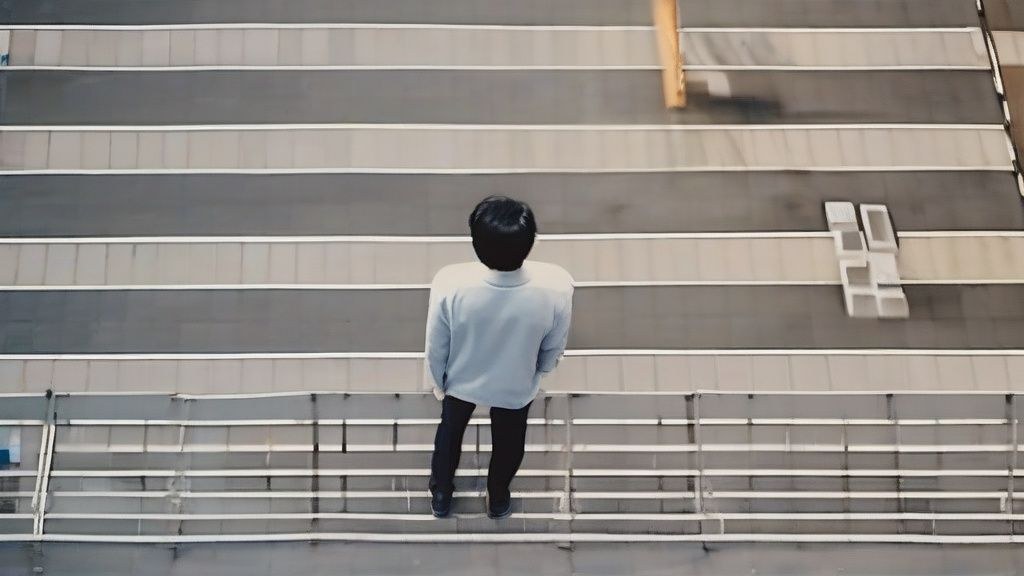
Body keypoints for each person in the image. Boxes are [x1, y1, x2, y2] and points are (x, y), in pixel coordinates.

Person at [424, 196, 574, 519]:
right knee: (509, 443)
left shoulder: (449, 283)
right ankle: (498, 495)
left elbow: (436, 347)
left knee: (449, 434)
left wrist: (439, 383)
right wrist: (537, 373)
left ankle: (442, 493)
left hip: (460, 381)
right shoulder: (557, 286)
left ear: (476, 244)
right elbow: (553, 347)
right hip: (515, 385)